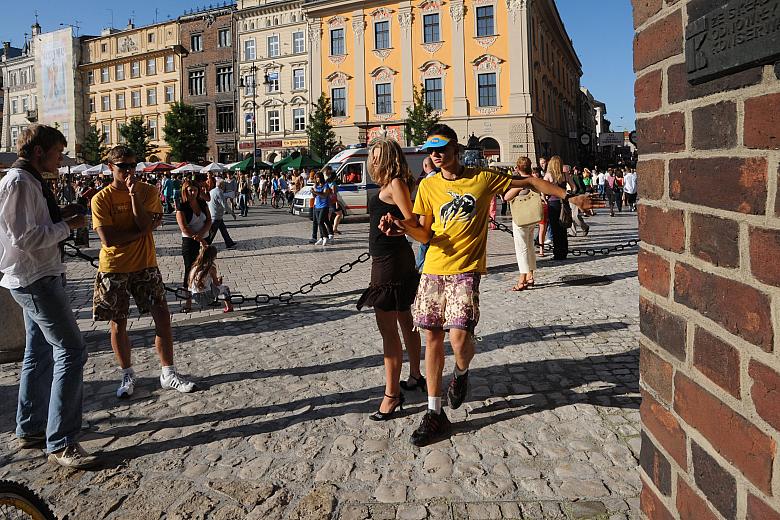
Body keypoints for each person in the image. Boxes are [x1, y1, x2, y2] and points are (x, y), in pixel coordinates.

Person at [382, 125, 599, 446]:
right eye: (430, 150)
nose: (436, 155)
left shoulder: (482, 178)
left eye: (441, 148)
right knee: (432, 338)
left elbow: (529, 181)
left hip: (465, 271)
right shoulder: (428, 187)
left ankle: (461, 372)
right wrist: (402, 227)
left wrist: (570, 196)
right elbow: (425, 234)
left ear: (455, 148)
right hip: (433, 270)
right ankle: (434, 412)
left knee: (458, 340)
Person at [0, 125, 97, 469]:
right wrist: (66, 228)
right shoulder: (19, 182)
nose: (60, 159)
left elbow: (33, 226)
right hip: (34, 278)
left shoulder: (31, 181)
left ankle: (31, 427)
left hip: (40, 274)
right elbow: (23, 237)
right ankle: (62, 440)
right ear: (39, 151)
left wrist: (62, 217)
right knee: (72, 350)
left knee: (38, 351)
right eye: (57, 152)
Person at [92, 145, 196, 399]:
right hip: (114, 266)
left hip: (145, 263)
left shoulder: (147, 191)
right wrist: (143, 231)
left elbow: (144, 223)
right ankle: (127, 372)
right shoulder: (101, 199)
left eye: (132, 165)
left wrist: (133, 197)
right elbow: (108, 239)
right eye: (123, 166)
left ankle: (168, 372)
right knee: (118, 322)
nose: (129, 171)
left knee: (161, 314)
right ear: (110, 168)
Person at [356, 137, 424, 420]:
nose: (371, 161)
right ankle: (415, 375)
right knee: (405, 320)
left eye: (375, 155)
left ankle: (391, 395)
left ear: (385, 158)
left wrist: (396, 224)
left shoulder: (395, 183)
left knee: (388, 329)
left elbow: (413, 223)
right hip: (392, 258)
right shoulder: (391, 183)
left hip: (390, 262)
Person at [176, 179, 212, 313]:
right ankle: (188, 301)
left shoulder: (202, 203)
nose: (193, 193)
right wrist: (197, 238)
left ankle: (209, 296)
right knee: (190, 270)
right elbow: (184, 227)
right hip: (189, 242)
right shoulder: (182, 206)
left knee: (206, 267)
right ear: (185, 191)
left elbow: (209, 219)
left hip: (205, 238)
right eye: (190, 190)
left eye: (195, 190)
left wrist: (202, 235)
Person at [503, 156, 538, 291]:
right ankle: (530, 275)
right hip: (532, 217)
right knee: (529, 247)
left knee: (522, 249)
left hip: (520, 219)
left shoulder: (520, 181)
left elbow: (506, 197)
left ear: (517, 168)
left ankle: (522, 279)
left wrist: (517, 187)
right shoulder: (535, 180)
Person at [544, 156, 573, 260]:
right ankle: (564, 251)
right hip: (563, 202)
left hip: (553, 203)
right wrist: (568, 193)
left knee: (555, 228)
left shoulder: (548, 175)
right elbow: (574, 187)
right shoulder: (565, 175)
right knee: (563, 227)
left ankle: (557, 253)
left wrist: (545, 197)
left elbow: (544, 190)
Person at [189, 245, 234, 313]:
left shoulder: (195, 267)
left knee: (210, 286)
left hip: (195, 296)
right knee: (225, 289)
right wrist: (219, 281)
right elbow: (216, 284)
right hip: (206, 297)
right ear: (213, 256)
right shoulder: (211, 268)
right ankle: (229, 307)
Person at [415, 156, 438, 272]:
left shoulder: (426, 183)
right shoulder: (440, 179)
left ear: (425, 167)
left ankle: (420, 266)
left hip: (429, 220)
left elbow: (422, 209)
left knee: (424, 245)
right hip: (439, 220)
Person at [206, 180, 238, 249]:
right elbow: (225, 205)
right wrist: (232, 213)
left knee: (223, 230)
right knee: (212, 233)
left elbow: (207, 202)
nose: (224, 187)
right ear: (221, 185)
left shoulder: (212, 191)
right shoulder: (219, 192)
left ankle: (229, 243)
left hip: (215, 214)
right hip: (216, 215)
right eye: (224, 185)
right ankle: (206, 245)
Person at [309, 172, 332, 245]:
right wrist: (313, 192)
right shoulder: (316, 185)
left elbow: (324, 195)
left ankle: (326, 237)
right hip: (317, 205)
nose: (317, 179)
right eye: (315, 178)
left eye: (318, 177)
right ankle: (322, 237)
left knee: (320, 221)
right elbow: (314, 196)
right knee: (318, 222)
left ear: (321, 177)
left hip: (324, 205)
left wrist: (315, 192)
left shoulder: (326, 185)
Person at [566, 164, 590, 237]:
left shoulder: (575, 177)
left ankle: (585, 227)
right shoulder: (562, 178)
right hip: (566, 198)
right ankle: (572, 232)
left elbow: (582, 188)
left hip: (574, 198)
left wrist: (577, 194)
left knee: (575, 216)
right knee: (569, 216)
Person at [325, 167, 343, 235]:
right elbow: (334, 194)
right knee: (339, 214)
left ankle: (327, 228)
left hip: (327, 200)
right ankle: (334, 228)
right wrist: (337, 203)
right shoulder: (333, 184)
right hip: (332, 201)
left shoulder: (327, 182)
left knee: (328, 215)